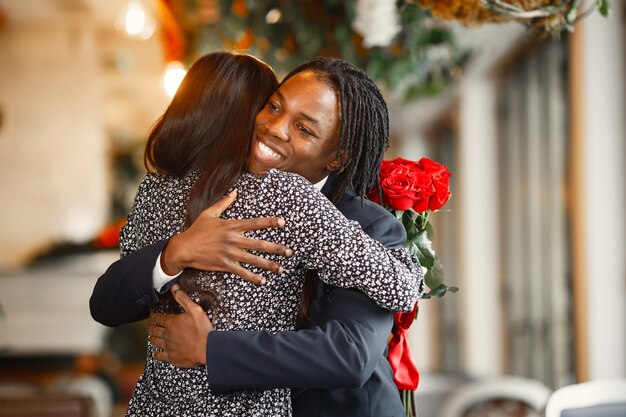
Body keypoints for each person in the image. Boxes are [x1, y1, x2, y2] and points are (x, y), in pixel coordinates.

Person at [90, 56, 424, 417]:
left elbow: (350, 354)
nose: (275, 128)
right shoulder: (188, 194)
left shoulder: (368, 223)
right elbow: (107, 304)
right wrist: (176, 251)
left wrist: (211, 348)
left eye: (305, 129)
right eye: (274, 106)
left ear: (337, 158)